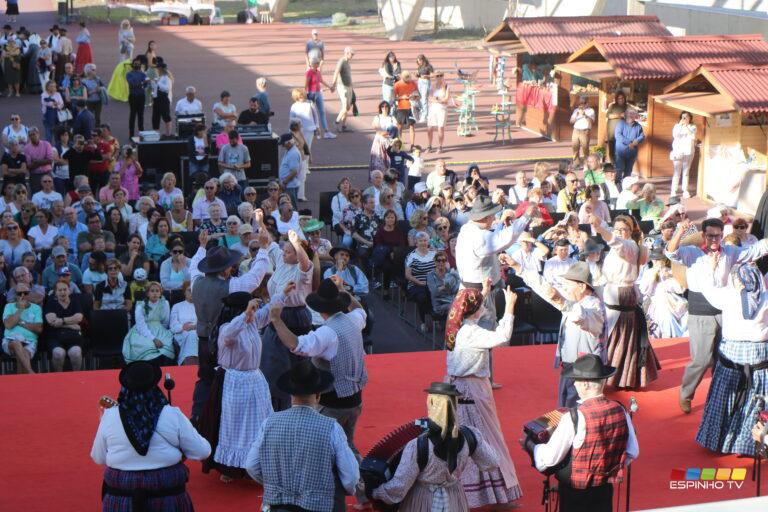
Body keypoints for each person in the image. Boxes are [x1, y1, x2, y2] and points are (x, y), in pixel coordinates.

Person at [666, 217, 768, 413]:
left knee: (723, 360)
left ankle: (718, 400)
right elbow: (671, 252)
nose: (715, 239)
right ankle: (686, 394)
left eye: (718, 236)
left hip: (724, 309)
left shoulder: (729, 252)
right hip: (701, 309)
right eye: (711, 235)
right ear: (703, 235)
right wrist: (679, 231)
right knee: (702, 359)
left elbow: (756, 250)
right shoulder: (692, 253)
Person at [91, 361, 211, 511]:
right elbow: (203, 451)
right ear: (155, 386)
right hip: (167, 497)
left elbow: (98, 457)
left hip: (121, 498)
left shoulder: (110, 416)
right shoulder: (172, 414)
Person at [526, 354, 638, 512]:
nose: (574, 384)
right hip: (604, 490)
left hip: (576, 495)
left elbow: (549, 460)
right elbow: (632, 452)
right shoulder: (621, 410)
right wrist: (607, 470)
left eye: (576, 380)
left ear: (585, 384)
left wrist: (531, 446)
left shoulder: (574, 417)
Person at [271, 276, 368, 457]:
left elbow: (296, 345)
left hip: (332, 402)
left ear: (320, 309)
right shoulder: (353, 320)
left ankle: (345, 480)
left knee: (325, 450)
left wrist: (277, 319)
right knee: (347, 446)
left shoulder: (327, 332)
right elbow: (360, 310)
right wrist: (343, 292)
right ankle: (356, 479)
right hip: (355, 398)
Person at [245, 360, 360, 512]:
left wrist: (274, 486)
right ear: (318, 395)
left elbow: (251, 466)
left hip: (279, 505)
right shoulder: (332, 428)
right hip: (320, 506)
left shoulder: (269, 423)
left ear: (291, 394)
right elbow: (351, 478)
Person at [445, 283, 522, 506]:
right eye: (480, 305)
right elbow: (503, 337)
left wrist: (483, 294)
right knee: (487, 441)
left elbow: (473, 315)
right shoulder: (471, 333)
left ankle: (486, 495)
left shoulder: (457, 325)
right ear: (474, 309)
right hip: (473, 391)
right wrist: (509, 308)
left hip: (462, 390)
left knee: (469, 443)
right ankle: (498, 496)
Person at [371, 381, 499, 510]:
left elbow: (400, 486)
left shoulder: (417, 445)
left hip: (423, 500)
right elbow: (492, 462)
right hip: (454, 498)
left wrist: (376, 492)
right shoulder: (471, 435)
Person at [188, 226, 271, 422]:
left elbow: (193, 267)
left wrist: (201, 246)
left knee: (205, 378)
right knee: (225, 380)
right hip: (224, 340)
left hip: (202, 338)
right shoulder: (231, 286)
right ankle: (220, 420)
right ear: (225, 269)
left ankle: (198, 416)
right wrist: (264, 249)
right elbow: (255, 277)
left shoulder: (196, 281)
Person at [198, 291, 274, 482]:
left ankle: (258, 465)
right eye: (250, 308)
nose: (255, 312)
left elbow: (269, 312)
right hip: (235, 382)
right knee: (234, 426)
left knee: (259, 424)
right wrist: (245, 314)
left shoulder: (253, 323)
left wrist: (284, 293)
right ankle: (230, 468)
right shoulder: (227, 328)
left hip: (255, 380)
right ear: (240, 310)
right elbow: (230, 333)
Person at [591, 214, 660, 389]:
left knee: (620, 336)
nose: (621, 232)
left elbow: (615, 241)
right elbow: (612, 235)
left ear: (630, 231)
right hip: (614, 291)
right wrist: (601, 224)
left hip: (622, 294)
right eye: (618, 229)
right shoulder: (623, 244)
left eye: (625, 229)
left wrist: (599, 228)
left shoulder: (629, 246)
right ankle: (616, 375)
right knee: (614, 334)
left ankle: (618, 377)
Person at [261, 230, 314, 411]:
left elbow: (305, 262)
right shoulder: (282, 262)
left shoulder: (303, 269)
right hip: (277, 310)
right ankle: (275, 400)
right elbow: (269, 242)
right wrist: (260, 223)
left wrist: (296, 243)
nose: (284, 254)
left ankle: (297, 401)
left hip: (295, 316)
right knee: (272, 359)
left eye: (288, 252)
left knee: (293, 361)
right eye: (284, 251)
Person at [638, 247, 688, 339]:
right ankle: (670, 338)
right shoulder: (648, 272)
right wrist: (654, 276)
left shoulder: (670, 271)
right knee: (667, 316)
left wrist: (669, 277)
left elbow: (680, 289)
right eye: (654, 260)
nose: (656, 262)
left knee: (687, 314)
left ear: (664, 260)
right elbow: (644, 290)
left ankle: (683, 339)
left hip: (673, 300)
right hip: (656, 302)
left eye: (659, 260)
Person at [122, 281, 175, 365]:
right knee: (147, 345)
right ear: (147, 293)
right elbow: (141, 325)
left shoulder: (164, 303)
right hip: (143, 331)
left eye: (157, 291)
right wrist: (153, 338)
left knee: (167, 344)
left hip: (160, 329)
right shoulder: (140, 306)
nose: (155, 293)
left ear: (160, 293)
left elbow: (165, 321)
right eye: (152, 291)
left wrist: (163, 333)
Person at [2, 282, 43, 374]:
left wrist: (20, 322)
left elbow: (39, 329)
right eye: (19, 293)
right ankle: (30, 372)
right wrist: (20, 309)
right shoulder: (9, 306)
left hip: (30, 342)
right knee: (17, 343)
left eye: (25, 293)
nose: (22, 296)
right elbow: (8, 325)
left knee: (23, 354)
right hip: (10, 340)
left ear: (30, 294)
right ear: (15, 295)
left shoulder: (36, 308)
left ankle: (21, 382)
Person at [45, 280, 84, 372]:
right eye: (60, 290)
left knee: (76, 353)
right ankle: (59, 379)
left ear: (69, 290)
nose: (63, 292)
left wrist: (61, 321)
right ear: (55, 292)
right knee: (58, 353)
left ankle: (77, 377)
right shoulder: (51, 303)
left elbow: (79, 318)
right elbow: (52, 322)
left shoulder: (75, 302)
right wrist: (72, 325)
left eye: (65, 289)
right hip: (55, 337)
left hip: (74, 337)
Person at [305, 58, 335, 139]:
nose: (318, 65)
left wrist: (329, 87)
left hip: (318, 93)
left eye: (318, 63)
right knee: (313, 113)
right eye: (317, 63)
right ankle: (315, 131)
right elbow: (306, 84)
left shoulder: (318, 72)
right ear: (312, 64)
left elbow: (321, 80)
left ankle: (326, 131)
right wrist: (306, 93)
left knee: (322, 111)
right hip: (311, 94)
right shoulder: (309, 72)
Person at [670, 111, 697, 199]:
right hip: (678, 152)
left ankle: (685, 190)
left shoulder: (692, 127)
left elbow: (693, 137)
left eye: (686, 117)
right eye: (683, 117)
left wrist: (686, 126)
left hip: (688, 152)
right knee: (677, 172)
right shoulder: (677, 126)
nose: (684, 119)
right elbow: (675, 135)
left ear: (690, 118)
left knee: (686, 172)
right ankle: (673, 191)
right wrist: (681, 126)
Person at [614, 109, 645, 182]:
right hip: (620, 152)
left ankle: (625, 187)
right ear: (626, 115)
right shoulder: (620, 123)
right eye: (630, 113)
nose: (631, 115)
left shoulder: (638, 126)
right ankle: (617, 186)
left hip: (632, 153)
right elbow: (618, 135)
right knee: (619, 170)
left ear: (635, 116)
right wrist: (629, 143)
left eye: (633, 114)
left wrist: (637, 140)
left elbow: (642, 136)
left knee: (628, 172)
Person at [427, 251, 460, 318]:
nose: (441, 263)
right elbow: (434, 292)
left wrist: (441, 288)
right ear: (435, 262)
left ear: (446, 262)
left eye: (443, 260)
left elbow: (456, 289)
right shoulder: (431, 275)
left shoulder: (451, 273)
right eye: (438, 260)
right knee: (455, 307)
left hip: (452, 300)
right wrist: (445, 287)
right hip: (439, 305)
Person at [331, 47, 355, 133]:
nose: (352, 56)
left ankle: (344, 126)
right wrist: (333, 84)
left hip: (349, 86)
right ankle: (336, 122)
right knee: (345, 108)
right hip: (342, 87)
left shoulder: (348, 62)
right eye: (351, 54)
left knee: (347, 108)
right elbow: (336, 72)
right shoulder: (341, 61)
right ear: (346, 53)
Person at [426, 70, 450, 153]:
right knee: (430, 128)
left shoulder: (446, 86)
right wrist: (439, 99)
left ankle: (440, 146)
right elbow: (429, 97)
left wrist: (436, 99)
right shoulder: (432, 86)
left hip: (442, 109)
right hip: (433, 109)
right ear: (435, 77)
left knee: (440, 128)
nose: (439, 77)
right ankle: (429, 145)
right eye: (437, 76)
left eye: (440, 75)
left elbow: (446, 99)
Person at [393, 70, 418, 148]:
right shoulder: (397, 85)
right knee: (400, 127)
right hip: (401, 108)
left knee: (412, 126)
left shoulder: (413, 83)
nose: (408, 81)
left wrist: (414, 97)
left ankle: (412, 145)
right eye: (406, 79)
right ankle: (399, 144)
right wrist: (401, 97)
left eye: (409, 79)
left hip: (411, 108)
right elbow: (393, 98)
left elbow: (418, 95)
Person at [370, 101, 396, 172]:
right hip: (379, 141)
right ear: (380, 108)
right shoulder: (377, 117)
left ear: (388, 108)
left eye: (386, 106)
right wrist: (386, 133)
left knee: (388, 160)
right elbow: (376, 127)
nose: (384, 108)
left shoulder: (392, 118)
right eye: (382, 106)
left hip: (389, 142)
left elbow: (395, 129)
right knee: (377, 160)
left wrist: (387, 133)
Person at [125, 58, 148, 138]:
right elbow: (132, 84)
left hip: (141, 96)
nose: (137, 65)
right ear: (132, 64)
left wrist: (143, 84)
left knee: (141, 115)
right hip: (133, 96)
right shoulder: (129, 74)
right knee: (133, 115)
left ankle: (141, 134)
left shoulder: (143, 74)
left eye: (138, 64)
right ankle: (131, 135)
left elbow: (146, 85)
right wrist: (142, 83)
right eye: (135, 63)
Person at [277, 133, 301, 207]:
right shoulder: (289, 151)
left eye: (283, 144)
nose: (282, 146)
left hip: (290, 186)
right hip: (288, 185)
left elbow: (294, 172)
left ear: (289, 143)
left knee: (292, 207)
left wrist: (284, 182)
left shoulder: (293, 153)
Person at [570, 96, 594, 167]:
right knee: (575, 147)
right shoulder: (576, 110)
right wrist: (576, 115)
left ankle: (586, 164)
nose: (582, 104)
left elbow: (591, 122)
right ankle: (576, 163)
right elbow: (571, 121)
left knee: (585, 149)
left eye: (583, 103)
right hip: (576, 130)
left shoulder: (591, 111)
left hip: (585, 131)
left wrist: (585, 115)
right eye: (580, 103)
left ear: (587, 103)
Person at [605, 91, 628, 165]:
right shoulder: (613, 106)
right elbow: (608, 115)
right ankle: (613, 164)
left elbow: (632, 115)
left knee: (620, 150)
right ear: (616, 99)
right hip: (611, 132)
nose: (621, 100)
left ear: (624, 98)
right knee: (611, 151)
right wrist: (619, 115)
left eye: (622, 98)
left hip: (622, 133)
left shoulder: (627, 106)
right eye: (619, 98)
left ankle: (619, 165)